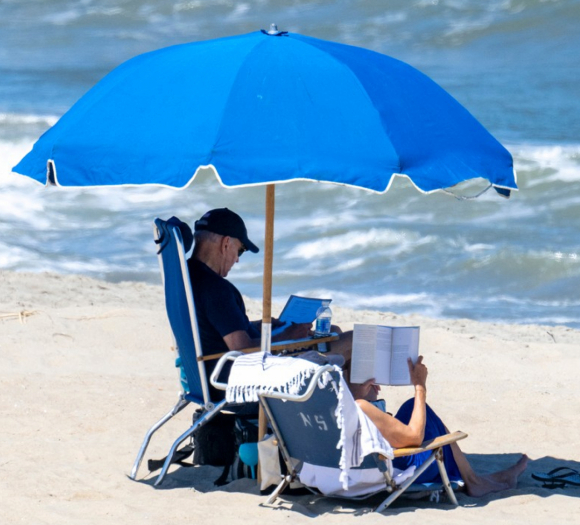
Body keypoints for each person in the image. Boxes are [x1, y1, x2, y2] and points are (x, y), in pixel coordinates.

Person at [188, 208, 352, 397]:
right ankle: (353, 417)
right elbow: (243, 351)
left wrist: (256, 326)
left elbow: (213, 328)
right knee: (351, 341)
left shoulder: (188, 277)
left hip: (210, 374)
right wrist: (287, 336)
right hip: (239, 380)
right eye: (240, 250)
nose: (237, 259)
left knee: (334, 333)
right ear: (226, 243)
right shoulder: (215, 288)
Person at [348, 356, 530, 497]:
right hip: (401, 470)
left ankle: (475, 479)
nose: (376, 386)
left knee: (410, 408)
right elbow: (414, 437)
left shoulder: (326, 405)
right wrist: (420, 387)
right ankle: (474, 481)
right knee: (418, 407)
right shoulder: (360, 406)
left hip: (348, 475)